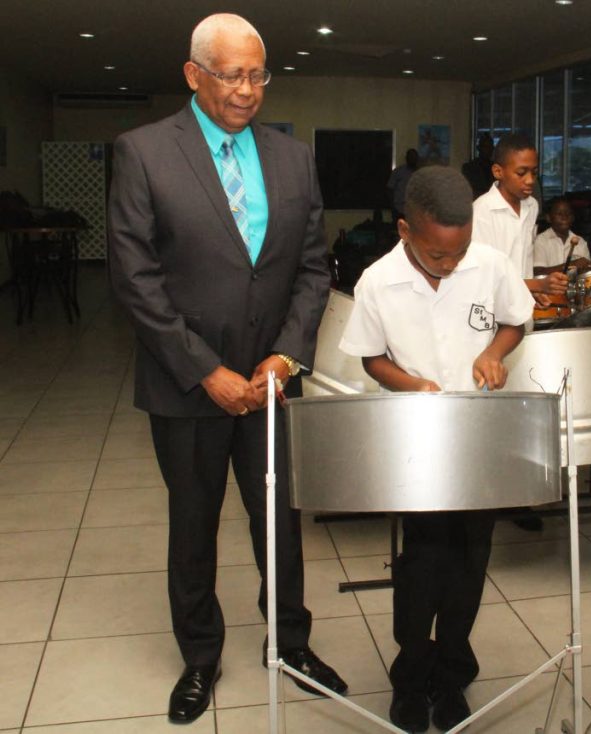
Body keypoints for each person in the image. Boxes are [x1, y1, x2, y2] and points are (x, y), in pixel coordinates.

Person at [106, 13, 347, 725]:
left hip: (273, 380)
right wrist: (206, 370)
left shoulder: (292, 157)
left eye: (258, 76)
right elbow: (134, 278)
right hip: (188, 384)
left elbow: (313, 269)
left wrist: (286, 355)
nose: (247, 92)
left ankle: (293, 643)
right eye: (232, 75)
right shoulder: (144, 152)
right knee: (194, 522)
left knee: (281, 520)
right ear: (193, 75)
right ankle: (201, 655)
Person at [339, 166, 534, 733]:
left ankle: (452, 670)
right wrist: (414, 385)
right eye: (436, 257)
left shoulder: (490, 264)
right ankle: (410, 672)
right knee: (424, 558)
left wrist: (494, 352)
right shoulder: (377, 280)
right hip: (416, 433)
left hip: (475, 432)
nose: (450, 266)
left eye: (459, 253)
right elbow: (371, 358)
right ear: (405, 231)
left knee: (472, 556)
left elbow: (514, 323)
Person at [472, 133, 569, 307]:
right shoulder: (481, 212)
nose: (530, 180)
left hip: (521, 313)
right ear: (498, 172)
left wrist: (532, 292)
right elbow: (485, 279)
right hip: (492, 316)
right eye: (521, 173)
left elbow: (524, 260)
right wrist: (539, 284)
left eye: (534, 172)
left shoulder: (531, 206)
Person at [533, 196, 591, 274]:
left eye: (568, 213)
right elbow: (538, 272)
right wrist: (571, 264)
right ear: (548, 218)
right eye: (559, 214)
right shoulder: (540, 241)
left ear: (573, 217)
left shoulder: (581, 242)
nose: (564, 217)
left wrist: (584, 268)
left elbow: (587, 275)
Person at [387, 147, 419, 222]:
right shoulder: (398, 172)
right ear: (406, 158)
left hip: (415, 212)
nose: (412, 159)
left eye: (414, 157)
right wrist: (393, 208)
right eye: (410, 157)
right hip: (399, 210)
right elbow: (389, 190)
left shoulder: (420, 173)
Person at [461, 132, 496, 199]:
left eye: (490, 147)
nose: (488, 150)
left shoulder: (496, 168)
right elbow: (467, 191)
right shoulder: (469, 168)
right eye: (485, 147)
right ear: (479, 148)